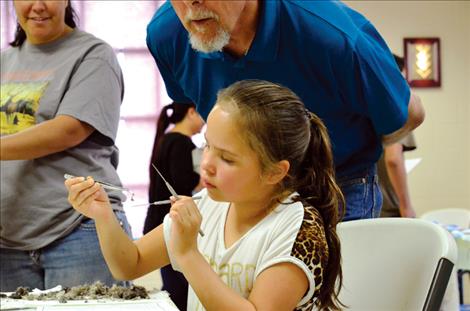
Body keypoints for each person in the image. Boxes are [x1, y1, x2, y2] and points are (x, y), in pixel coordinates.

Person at [66, 80, 344, 311]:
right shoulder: (209, 203)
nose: (206, 163)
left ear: (274, 172)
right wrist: (102, 214)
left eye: (227, 158)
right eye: (207, 146)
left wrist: (187, 254)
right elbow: (130, 263)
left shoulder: (299, 228)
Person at [146, 0, 425, 221]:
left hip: (339, 182)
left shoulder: (331, 36)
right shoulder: (167, 34)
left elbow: (409, 112)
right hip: (251, 186)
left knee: (334, 289)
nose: (191, 2)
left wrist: (328, 154)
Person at [0, 0, 131, 291]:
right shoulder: (5, 61)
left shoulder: (94, 55)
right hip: (9, 239)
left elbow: (69, 129)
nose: (38, 6)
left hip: (78, 228)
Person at [144, 102, 204, 310]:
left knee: (173, 286)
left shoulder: (167, 139)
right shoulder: (181, 143)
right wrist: (203, 179)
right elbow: (182, 183)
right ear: (191, 112)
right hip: (169, 224)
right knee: (179, 292)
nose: (203, 123)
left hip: (158, 221)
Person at [378, 54, 418, 218]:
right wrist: (406, 206)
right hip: (389, 211)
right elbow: (393, 159)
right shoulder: (395, 110)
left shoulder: (360, 106)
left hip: (365, 203)